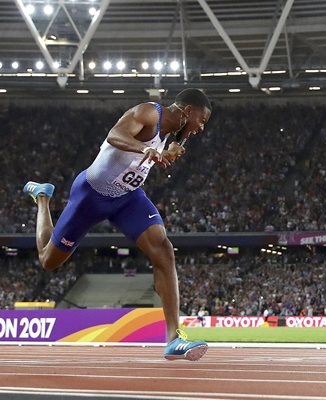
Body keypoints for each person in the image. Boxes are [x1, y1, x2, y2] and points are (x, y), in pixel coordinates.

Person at [23, 89, 212, 361]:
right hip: (90, 196)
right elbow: (114, 135)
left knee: (163, 250)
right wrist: (145, 147)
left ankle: (173, 338)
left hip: (127, 199)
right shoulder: (148, 113)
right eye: (201, 121)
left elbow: (169, 145)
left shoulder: (176, 133)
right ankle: (42, 196)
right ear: (188, 111)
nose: (201, 128)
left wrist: (167, 152)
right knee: (49, 261)